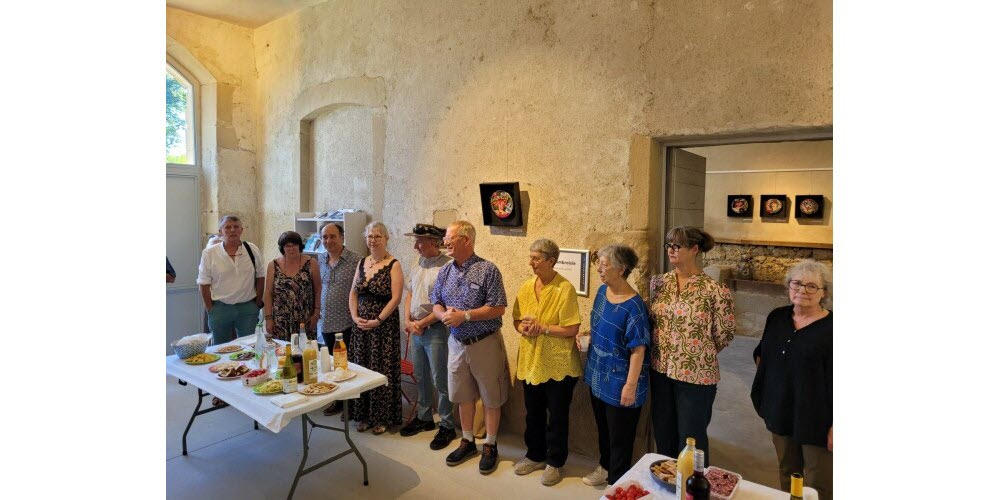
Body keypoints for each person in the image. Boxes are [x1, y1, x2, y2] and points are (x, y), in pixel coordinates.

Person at [647, 226, 735, 466]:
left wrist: (694, 352)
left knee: (691, 439)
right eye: (669, 245)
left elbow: (724, 334)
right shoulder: (658, 284)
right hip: (660, 370)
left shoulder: (714, 290)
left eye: (677, 246)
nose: (671, 250)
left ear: (694, 249)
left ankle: (692, 487)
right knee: (663, 433)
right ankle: (665, 483)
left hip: (696, 375)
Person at [430, 220, 508, 475]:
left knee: (490, 397)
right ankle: (467, 441)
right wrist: (443, 316)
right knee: (462, 395)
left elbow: (498, 308)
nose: (446, 242)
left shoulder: (488, 270)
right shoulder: (445, 271)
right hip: (456, 344)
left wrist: (465, 316)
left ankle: (491, 445)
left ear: (467, 240)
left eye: (450, 237)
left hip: (484, 342)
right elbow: (436, 303)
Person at [751, 259, 833, 499]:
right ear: (788, 287)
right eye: (796, 283)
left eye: (811, 286)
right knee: (789, 473)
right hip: (782, 410)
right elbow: (762, 354)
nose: (802, 290)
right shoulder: (777, 317)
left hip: (818, 417)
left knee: (819, 483)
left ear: (824, 293)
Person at [577, 244, 650, 486]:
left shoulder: (635, 307)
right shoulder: (601, 292)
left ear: (621, 269)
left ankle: (616, 484)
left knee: (621, 437)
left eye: (604, 264)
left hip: (621, 381)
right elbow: (600, 325)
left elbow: (638, 350)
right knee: (604, 430)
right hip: (597, 373)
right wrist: (586, 335)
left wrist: (630, 386)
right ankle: (605, 467)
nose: (599, 268)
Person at [510, 239, 582, 486]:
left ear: (551, 261)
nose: (531, 263)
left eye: (536, 258)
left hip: (559, 365)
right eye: (530, 257)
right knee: (533, 413)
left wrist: (544, 329)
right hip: (531, 361)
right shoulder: (526, 287)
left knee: (558, 417)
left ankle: (555, 462)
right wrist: (524, 328)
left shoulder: (565, 289)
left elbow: (572, 328)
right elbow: (516, 321)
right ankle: (535, 455)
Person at [398, 224, 457, 450]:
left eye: (420, 241)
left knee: (439, 378)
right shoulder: (418, 263)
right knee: (421, 375)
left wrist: (420, 324)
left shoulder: (448, 267)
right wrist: (408, 321)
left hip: (435, 330)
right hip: (416, 329)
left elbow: (446, 305)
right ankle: (424, 418)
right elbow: (410, 294)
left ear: (434, 242)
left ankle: (447, 424)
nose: (415, 246)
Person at [347, 221, 404, 435]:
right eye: (370, 236)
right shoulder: (362, 262)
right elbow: (353, 293)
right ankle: (363, 415)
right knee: (361, 369)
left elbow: (396, 298)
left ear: (386, 239)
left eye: (377, 236)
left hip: (383, 328)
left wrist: (378, 320)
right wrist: (355, 316)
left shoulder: (394, 264)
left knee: (381, 370)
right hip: (361, 327)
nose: (373, 240)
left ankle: (382, 417)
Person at [317, 222, 363, 416]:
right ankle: (337, 399)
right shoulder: (320, 260)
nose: (328, 241)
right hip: (326, 323)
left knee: (349, 365)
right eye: (325, 237)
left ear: (342, 237)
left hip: (347, 322)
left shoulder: (356, 260)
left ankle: (351, 405)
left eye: (333, 236)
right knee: (333, 365)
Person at [197, 215, 265, 345]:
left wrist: (256, 303)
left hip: (247, 308)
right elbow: (203, 283)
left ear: (241, 230)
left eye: (236, 227)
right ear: (220, 231)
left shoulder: (252, 249)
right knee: (220, 349)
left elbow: (261, 277)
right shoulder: (209, 253)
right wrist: (211, 309)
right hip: (220, 308)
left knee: (248, 348)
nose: (232, 230)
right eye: (227, 227)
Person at [262, 231, 321, 341]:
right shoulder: (273, 265)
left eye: (294, 245)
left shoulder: (311, 263)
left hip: (305, 318)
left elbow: (318, 289)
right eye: (287, 246)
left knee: (306, 352)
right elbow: (268, 293)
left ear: (300, 246)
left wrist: (316, 314)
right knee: (283, 353)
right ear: (282, 248)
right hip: (281, 320)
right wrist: (268, 318)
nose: (291, 248)